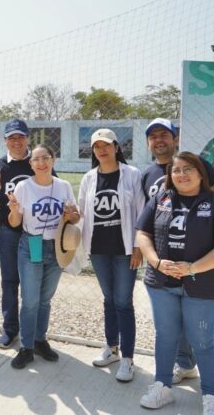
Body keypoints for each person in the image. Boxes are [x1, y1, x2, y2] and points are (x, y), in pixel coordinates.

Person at [135, 152, 214, 415]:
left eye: (188, 169)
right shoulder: (161, 198)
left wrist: (192, 268)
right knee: (166, 335)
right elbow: (142, 233)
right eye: (176, 170)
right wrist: (156, 261)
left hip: (204, 285)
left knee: (202, 340)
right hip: (161, 281)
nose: (181, 174)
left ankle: (211, 396)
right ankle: (162, 386)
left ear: (201, 174)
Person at [77, 129, 145, 382]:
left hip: (125, 249)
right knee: (109, 299)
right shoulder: (89, 178)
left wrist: (138, 246)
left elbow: (141, 212)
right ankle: (112, 347)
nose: (102, 150)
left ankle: (128, 358)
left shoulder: (132, 174)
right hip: (98, 249)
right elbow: (82, 211)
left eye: (106, 145)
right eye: (97, 146)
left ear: (116, 147)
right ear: (93, 151)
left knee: (123, 302)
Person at [7, 144, 79, 369]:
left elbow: (75, 217)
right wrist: (13, 210)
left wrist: (72, 214)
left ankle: (40, 340)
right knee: (31, 300)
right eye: (36, 159)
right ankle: (26, 347)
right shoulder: (24, 187)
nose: (41, 163)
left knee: (45, 298)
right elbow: (15, 223)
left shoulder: (63, 186)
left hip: (56, 244)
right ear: (31, 164)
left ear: (53, 160)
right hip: (34, 243)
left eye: (45, 158)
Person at [0, 118, 35, 349]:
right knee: (9, 281)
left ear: (27, 139)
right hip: (9, 233)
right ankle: (10, 328)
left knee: (33, 281)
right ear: (5, 141)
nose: (16, 141)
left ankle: (32, 330)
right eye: (11, 137)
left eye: (20, 137)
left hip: (35, 235)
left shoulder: (37, 161)